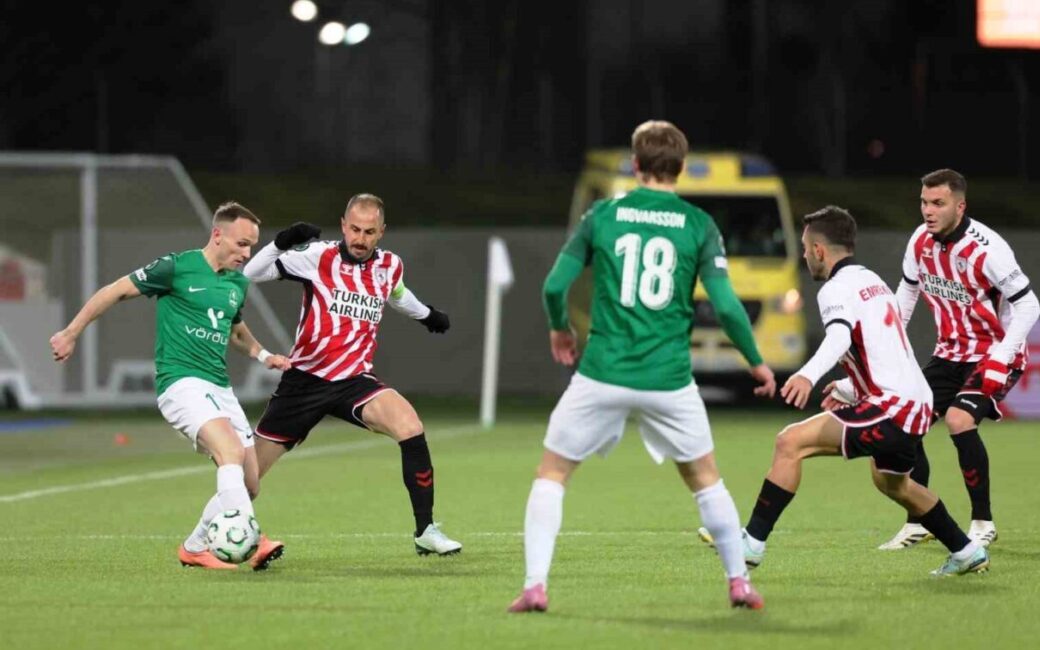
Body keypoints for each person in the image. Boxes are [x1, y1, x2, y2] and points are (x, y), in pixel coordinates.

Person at [507, 120, 777, 614]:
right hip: (669, 379)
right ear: (680, 166)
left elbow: (552, 286)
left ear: (636, 164)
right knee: (705, 480)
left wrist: (559, 328)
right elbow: (729, 307)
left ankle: (535, 587)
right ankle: (738, 582)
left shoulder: (602, 215)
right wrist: (756, 363)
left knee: (552, 474)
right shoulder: (699, 224)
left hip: (602, 372)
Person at [740, 205, 989, 577]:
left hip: (893, 405)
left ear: (820, 251)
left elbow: (840, 336)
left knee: (790, 442)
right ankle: (966, 551)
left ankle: (752, 543)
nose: (805, 255)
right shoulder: (871, 280)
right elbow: (882, 348)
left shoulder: (835, 289)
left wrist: (807, 375)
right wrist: (846, 386)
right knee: (893, 483)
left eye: (807, 248)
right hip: (915, 403)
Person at [49, 201, 291, 570]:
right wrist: (71, 332)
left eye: (252, 246)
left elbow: (235, 329)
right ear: (217, 235)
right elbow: (114, 291)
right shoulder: (176, 267)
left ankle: (194, 548)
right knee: (228, 451)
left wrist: (262, 355)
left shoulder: (237, 285)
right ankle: (251, 537)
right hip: (180, 383)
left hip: (219, 388)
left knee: (250, 482)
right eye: (242, 244)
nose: (247, 254)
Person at [241, 193, 462, 556]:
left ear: (382, 232)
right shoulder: (317, 257)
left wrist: (427, 315)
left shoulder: (390, 265)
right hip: (304, 382)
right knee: (249, 479)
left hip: (354, 380)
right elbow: (250, 273)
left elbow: (398, 294)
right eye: (355, 229)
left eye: (369, 232)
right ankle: (208, 537)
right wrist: (281, 243)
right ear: (343, 226)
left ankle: (426, 531)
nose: (360, 239)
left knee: (409, 425)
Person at [876, 169, 1040, 550]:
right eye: (923, 202)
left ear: (960, 206)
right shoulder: (919, 241)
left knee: (958, 419)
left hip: (994, 353)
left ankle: (982, 522)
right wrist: (889, 351)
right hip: (949, 352)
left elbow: (1029, 304)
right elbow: (906, 295)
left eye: (938, 203)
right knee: (905, 419)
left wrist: (1002, 357)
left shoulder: (988, 249)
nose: (928, 211)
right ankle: (919, 520)